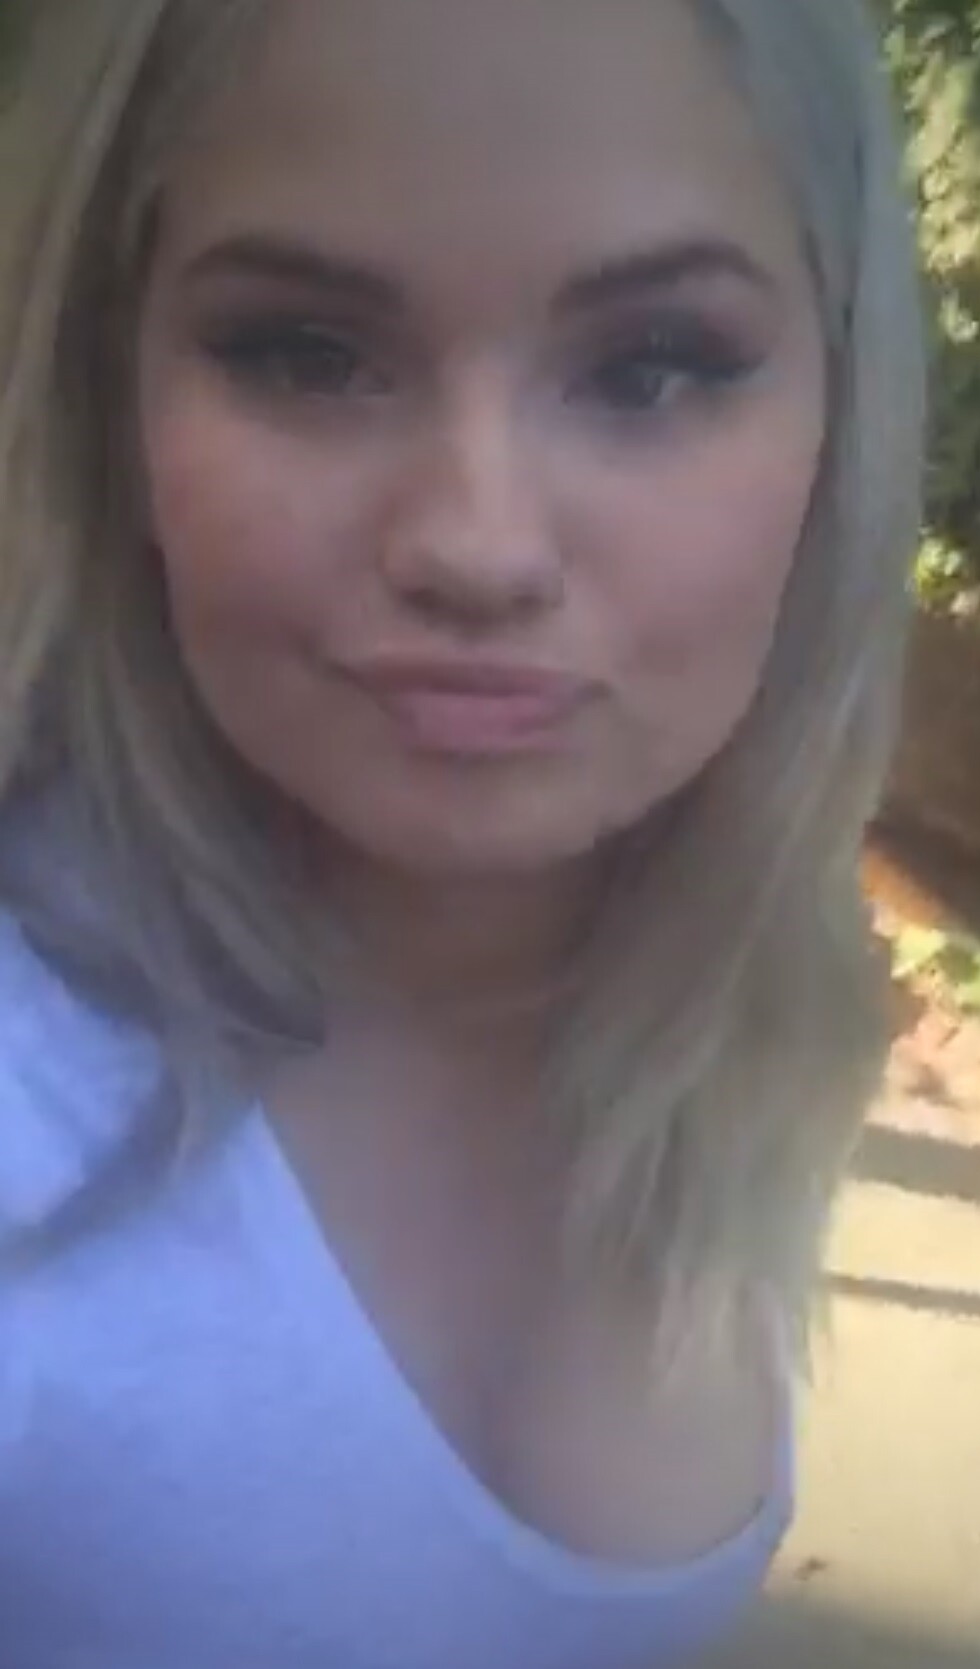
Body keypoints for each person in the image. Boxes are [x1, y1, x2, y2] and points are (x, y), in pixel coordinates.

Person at [0, 0, 925, 1663]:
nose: (478, 544)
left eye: (653, 366)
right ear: (108, 396)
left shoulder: (729, 1002)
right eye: (304, 352)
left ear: (839, 413)